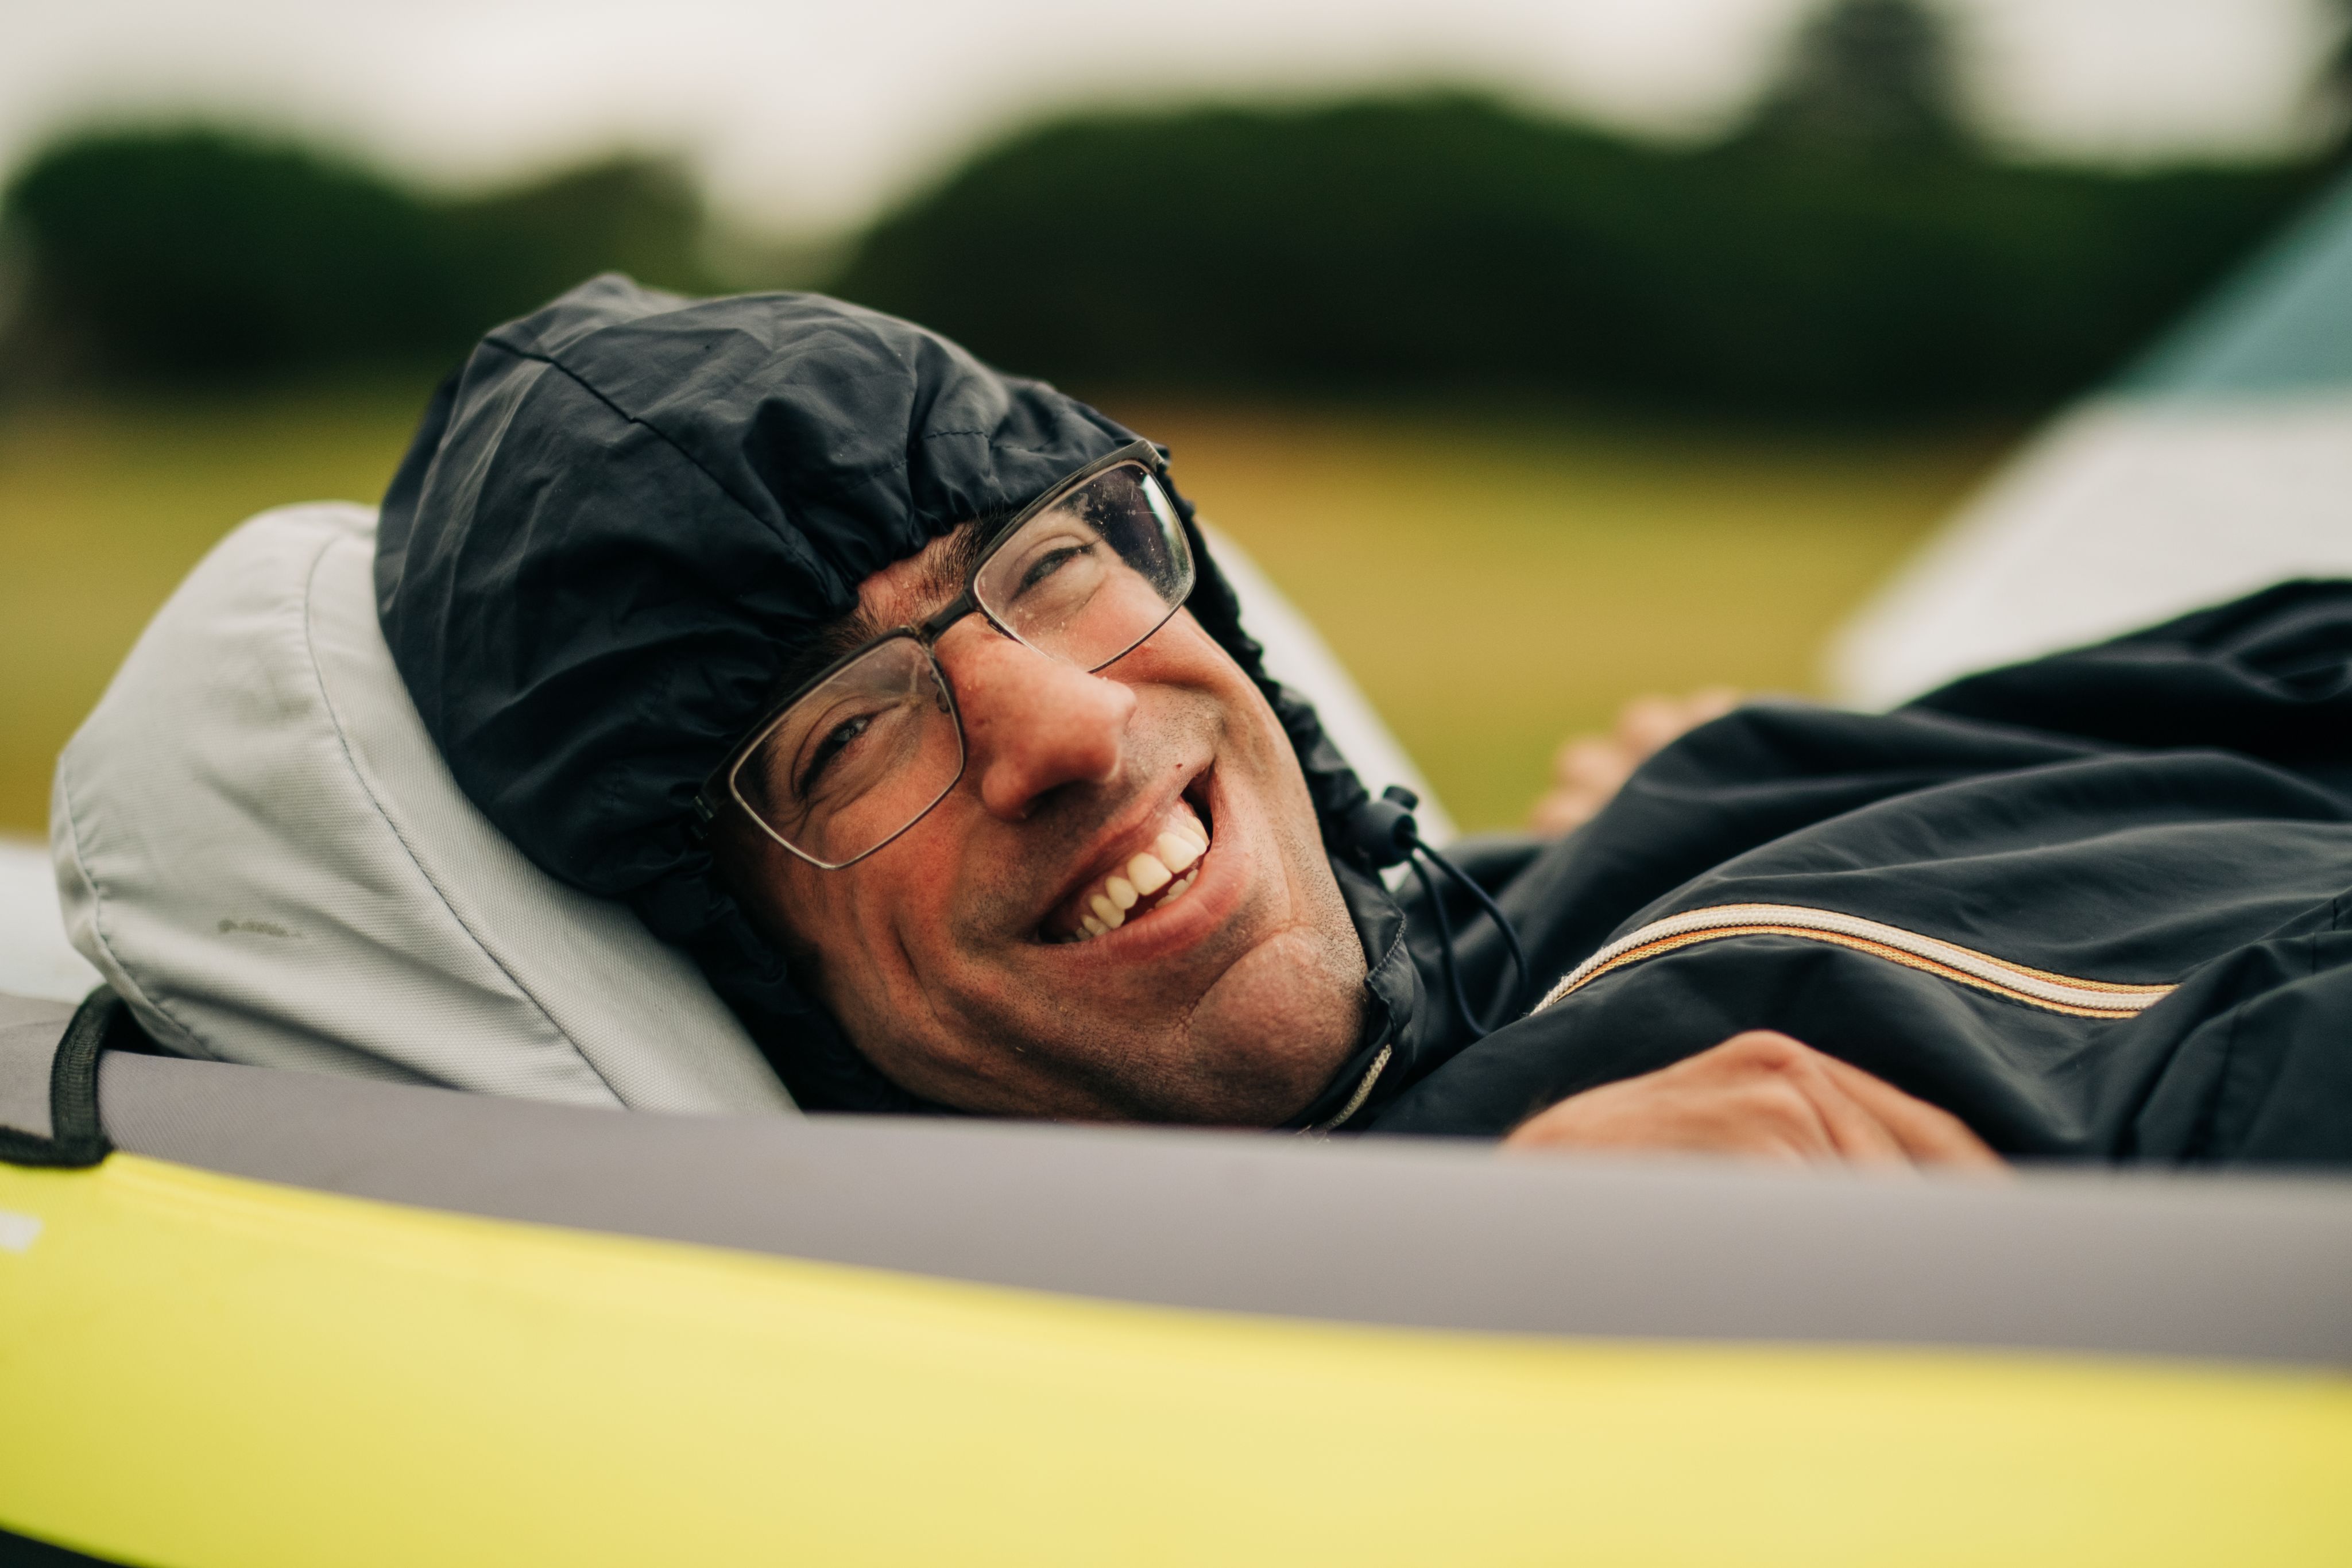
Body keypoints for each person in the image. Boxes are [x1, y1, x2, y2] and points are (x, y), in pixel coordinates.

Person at [378, 277, 2352, 1167]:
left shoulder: (1731, 777)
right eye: (842, 737)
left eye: (1049, 561)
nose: (1063, 725)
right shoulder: (1547, 1254)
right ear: (759, 973)